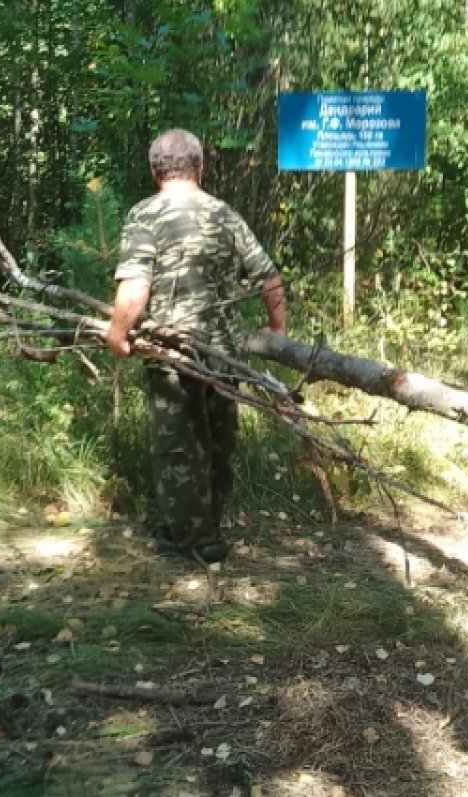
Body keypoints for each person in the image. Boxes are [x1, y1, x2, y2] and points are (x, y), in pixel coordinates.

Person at [103, 128, 286, 564]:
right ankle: (200, 523)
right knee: (218, 443)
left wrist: (116, 334)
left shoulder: (145, 215)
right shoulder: (225, 214)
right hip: (224, 355)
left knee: (179, 447)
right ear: (200, 167)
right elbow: (268, 276)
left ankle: (195, 540)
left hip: (172, 352)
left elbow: (135, 288)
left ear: (155, 170)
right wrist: (277, 330)